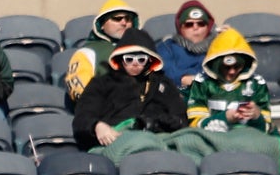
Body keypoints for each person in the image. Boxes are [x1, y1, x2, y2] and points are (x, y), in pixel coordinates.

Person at [69, 33, 191, 163]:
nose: (135, 64)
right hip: (116, 140)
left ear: (150, 60)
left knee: (195, 140)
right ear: (120, 59)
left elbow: (180, 120)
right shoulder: (102, 83)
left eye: (141, 59)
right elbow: (82, 118)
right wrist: (97, 126)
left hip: (160, 139)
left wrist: (157, 122)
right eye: (129, 59)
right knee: (141, 144)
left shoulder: (164, 85)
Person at [182, 27, 280, 171]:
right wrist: (225, 118)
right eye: (226, 67)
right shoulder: (203, 83)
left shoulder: (256, 83)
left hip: (248, 139)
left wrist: (257, 116)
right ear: (216, 64)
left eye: (237, 66)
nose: (232, 72)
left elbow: (267, 128)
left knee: (276, 147)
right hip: (212, 139)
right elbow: (195, 123)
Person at [63, 0, 137, 101]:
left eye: (128, 19)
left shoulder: (145, 51)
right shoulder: (86, 53)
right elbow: (79, 89)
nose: (124, 23)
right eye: (117, 18)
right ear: (102, 24)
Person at [157, 0, 217, 89]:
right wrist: (182, 78)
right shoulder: (167, 47)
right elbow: (163, 69)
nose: (195, 28)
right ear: (180, 28)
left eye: (201, 23)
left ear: (208, 27)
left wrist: (229, 38)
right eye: (189, 24)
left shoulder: (218, 46)